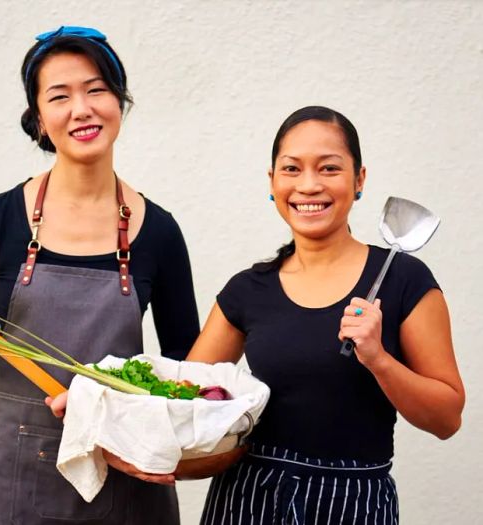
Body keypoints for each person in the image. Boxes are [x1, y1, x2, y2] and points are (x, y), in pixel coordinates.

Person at [0, 26, 199, 525]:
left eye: (97, 89)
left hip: (122, 478)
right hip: (12, 482)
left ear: (120, 104)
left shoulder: (160, 233)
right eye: (60, 96)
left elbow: (185, 371)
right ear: (39, 120)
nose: (81, 109)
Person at [185, 106, 465, 524]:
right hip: (247, 500)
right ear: (273, 182)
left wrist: (379, 360)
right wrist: (93, 407)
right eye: (292, 169)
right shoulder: (247, 290)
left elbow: (447, 419)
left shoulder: (404, 280)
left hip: (353, 505)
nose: (309, 185)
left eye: (329, 168)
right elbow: (180, 397)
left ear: (359, 180)